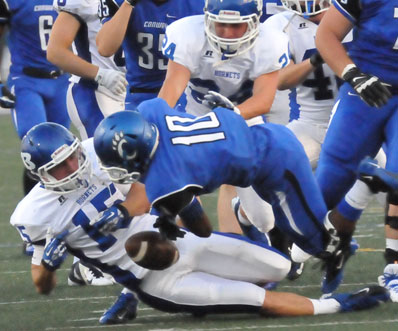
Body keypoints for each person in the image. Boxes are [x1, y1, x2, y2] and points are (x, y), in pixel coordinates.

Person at [11, 122, 390, 323]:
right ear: (39, 173)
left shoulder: (97, 150)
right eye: (58, 167)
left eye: (73, 158)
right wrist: (47, 263)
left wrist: (139, 210)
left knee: (279, 264)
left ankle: (213, 288)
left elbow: (149, 179)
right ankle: (338, 305)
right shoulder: (35, 214)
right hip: (154, 278)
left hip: (176, 240)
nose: (72, 168)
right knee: (260, 300)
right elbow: (42, 287)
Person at [93, 99, 398, 294]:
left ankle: (366, 185)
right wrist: (169, 211)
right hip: (260, 143)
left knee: (316, 242)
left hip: (277, 165)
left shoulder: (165, 181)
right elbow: (164, 113)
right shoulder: (149, 112)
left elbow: (202, 230)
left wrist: (172, 216)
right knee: (293, 228)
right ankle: (249, 213)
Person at [157, 0, 290, 234]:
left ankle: (244, 217)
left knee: (264, 220)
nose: (228, 33)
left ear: (254, 22)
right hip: (194, 114)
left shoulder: (270, 41)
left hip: (243, 118)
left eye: (236, 26)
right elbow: (173, 85)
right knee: (168, 176)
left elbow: (263, 100)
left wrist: (230, 115)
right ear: (207, 18)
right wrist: (160, 122)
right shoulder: (187, 34)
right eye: (221, 24)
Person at [314, 0, 398, 300]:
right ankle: (340, 239)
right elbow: (326, 34)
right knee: (322, 196)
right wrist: (354, 75)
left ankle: (395, 267)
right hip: (365, 91)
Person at [0, 0, 71, 196]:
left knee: (62, 151)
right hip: (26, 81)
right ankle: (33, 216)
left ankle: (61, 210)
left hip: (61, 80)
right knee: (38, 148)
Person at [95, 0, 205, 110]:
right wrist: (128, 3)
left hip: (184, 92)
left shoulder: (198, 4)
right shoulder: (121, 2)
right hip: (140, 93)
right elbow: (105, 49)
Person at [46, 0, 128, 140]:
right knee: (106, 158)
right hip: (96, 90)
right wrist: (100, 74)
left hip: (136, 89)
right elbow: (55, 52)